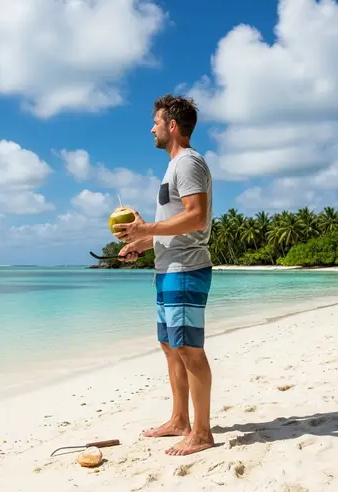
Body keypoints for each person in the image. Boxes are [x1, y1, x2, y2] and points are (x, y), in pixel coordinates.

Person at [112, 94, 214, 456]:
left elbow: (197, 216)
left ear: (172, 126)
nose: (151, 127)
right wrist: (141, 242)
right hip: (167, 269)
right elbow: (176, 223)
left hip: (186, 268)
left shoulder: (187, 163)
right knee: (171, 347)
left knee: (189, 349)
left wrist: (148, 229)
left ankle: (201, 433)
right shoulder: (174, 166)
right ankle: (179, 421)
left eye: (156, 121)